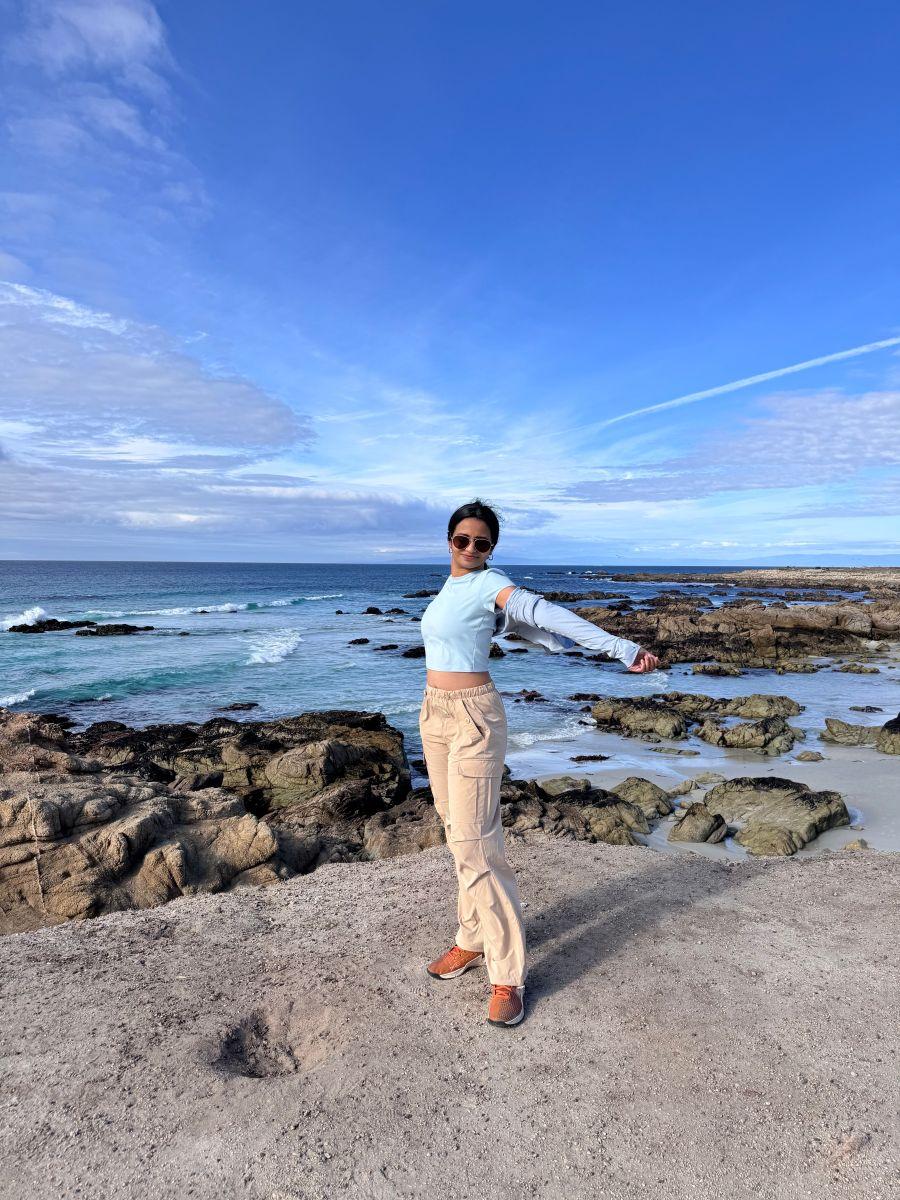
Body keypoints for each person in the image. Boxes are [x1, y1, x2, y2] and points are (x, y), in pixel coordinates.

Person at [418, 499, 659, 1028]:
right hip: (433, 715)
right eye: (463, 540)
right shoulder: (450, 590)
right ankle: (471, 938)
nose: (471, 549)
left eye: (482, 543)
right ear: (449, 540)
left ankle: (507, 975)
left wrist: (620, 648)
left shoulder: (489, 583)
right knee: (458, 831)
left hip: (474, 718)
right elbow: (498, 631)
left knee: (478, 846)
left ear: (492, 550)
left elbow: (544, 615)